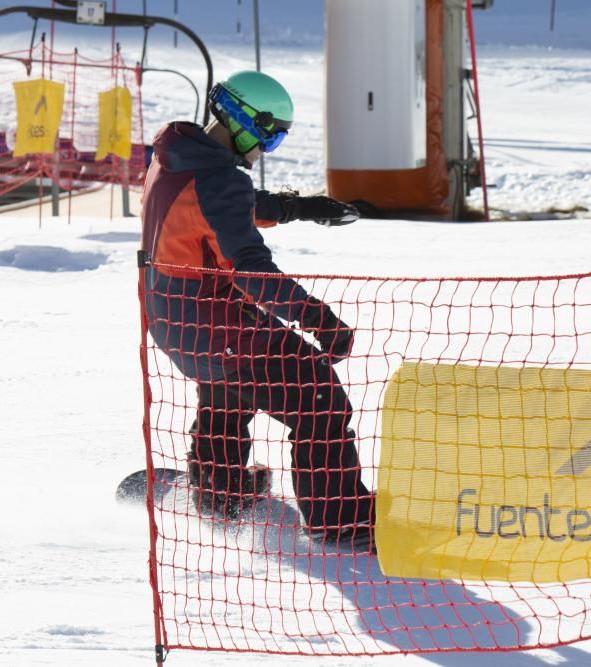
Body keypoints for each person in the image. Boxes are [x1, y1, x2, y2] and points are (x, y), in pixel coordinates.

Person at [140, 70, 375, 550]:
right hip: (223, 325)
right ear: (245, 121)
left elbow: (221, 206)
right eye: (271, 134)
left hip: (174, 321)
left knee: (227, 391)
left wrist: (299, 207)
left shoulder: (175, 152)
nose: (268, 147)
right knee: (320, 403)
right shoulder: (218, 179)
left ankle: (218, 494)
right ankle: (340, 520)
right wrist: (316, 319)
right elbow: (250, 268)